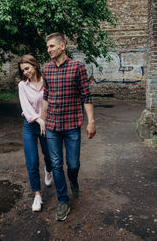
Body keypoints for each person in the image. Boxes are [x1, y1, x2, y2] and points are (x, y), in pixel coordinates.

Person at [41, 32, 96, 221]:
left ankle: (73, 178)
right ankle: (63, 201)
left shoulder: (77, 67)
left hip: (72, 125)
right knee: (56, 165)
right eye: (47, 47)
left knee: (73, 165)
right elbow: (46, 96)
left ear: (62, 46)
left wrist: (91, 121)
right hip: (52, 126)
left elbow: (85, 96)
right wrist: (42, 119)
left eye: (52, 46)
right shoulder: (46, 69)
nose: (49, 50)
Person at [18, 54, 54, 212]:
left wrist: (46, 120)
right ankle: (37, 196)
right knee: (31, 162)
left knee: (49, 156)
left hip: (47, 124)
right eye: (23, 70)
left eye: (27, 68)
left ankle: (48, 170)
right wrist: (39, 120)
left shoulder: (47, 80)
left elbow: (52, 100)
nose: (25, 72)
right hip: (31, 125)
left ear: (35, 65)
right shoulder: (22, 85)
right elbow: (26, 108)